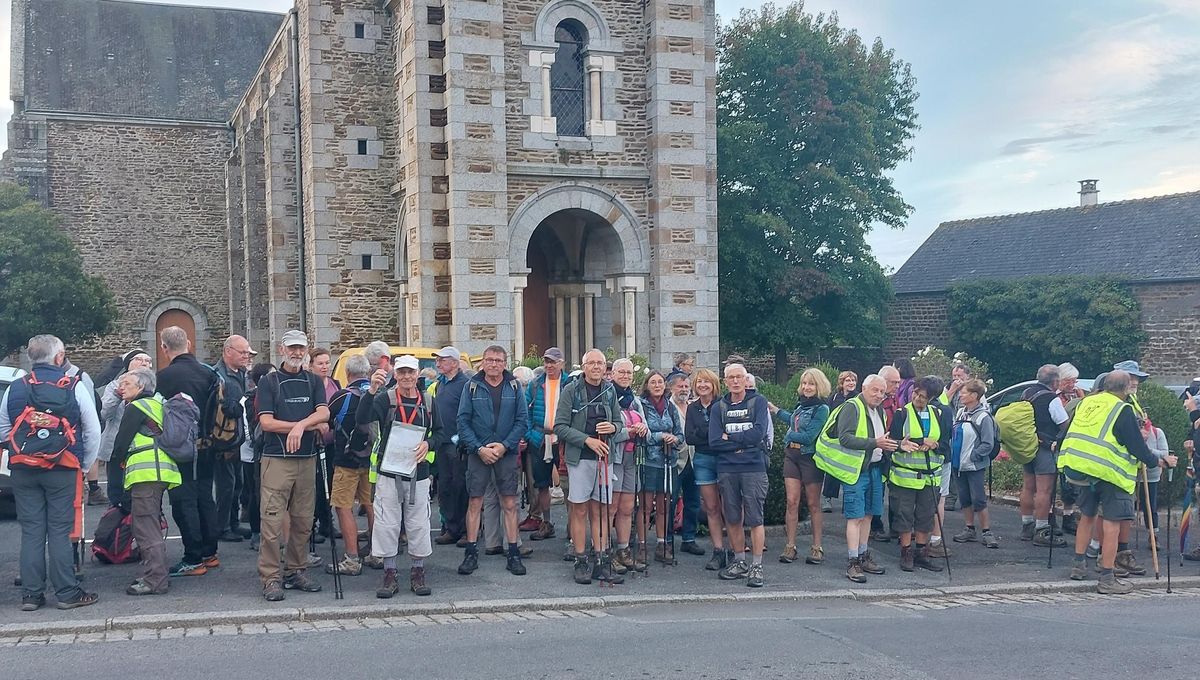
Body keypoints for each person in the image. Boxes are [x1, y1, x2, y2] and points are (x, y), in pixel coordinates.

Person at [0, 334, 102, 610]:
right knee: (59, 530)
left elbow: (3, 428)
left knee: (31, 530)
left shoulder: (15, 388)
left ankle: (31, 595)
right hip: (62, 466)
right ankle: (67, 592)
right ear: (60, 357)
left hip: (23, 467)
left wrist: (18, 453)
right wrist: (83, 464)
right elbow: (93, 430)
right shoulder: (74, 386)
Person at [1061, 370, 1176, 594]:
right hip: (1109, 472)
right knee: (1112, 523)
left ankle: (1078, 564)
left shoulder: (1087, 402)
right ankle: (1106, 577)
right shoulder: (1123, 409)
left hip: (1080, 467)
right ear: (1125, 388)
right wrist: (1159, 461)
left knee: (1087, 516)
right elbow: (1136, 446)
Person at [255, 330, 330, 601]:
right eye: (292, 348)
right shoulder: (269, 381)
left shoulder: (312, 381)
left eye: (301, 348)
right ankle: (270, 577)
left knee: (303, 520)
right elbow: (266, 422)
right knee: (272, 521)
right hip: (277, 459)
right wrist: (301, 428)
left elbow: (324, 412)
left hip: (307, 459)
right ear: (281, 349)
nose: (297, 353)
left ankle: (295, 570)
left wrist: (301, 425)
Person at [358, 355, 437, 597]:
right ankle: (389, 574)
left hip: (418, 473)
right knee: (387, 523)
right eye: (401, 372)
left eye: (410, 372)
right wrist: (371, 390)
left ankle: (418, 572)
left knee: (419, 523)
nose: (406, 377)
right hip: (389, 471)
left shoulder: (429, 401)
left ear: (417, 374)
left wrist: (429, 444)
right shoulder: (385, 399)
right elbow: (361, 420)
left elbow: (444, 434)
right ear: (395, 374)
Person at [456, 344, 530, 577]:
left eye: (499, 360)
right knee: (475, 503)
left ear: (505, 363)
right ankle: (470, 553)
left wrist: (504, 445)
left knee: (509, 503)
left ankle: (513, 553)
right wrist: (479, 448)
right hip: (478, 453)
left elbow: (522, 421)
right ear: (483, 363)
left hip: (505, 453)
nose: (494, 364)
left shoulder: (515, 387)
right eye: (490, 360)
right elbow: (462, 421)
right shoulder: (472, 387)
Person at [816, 374, 896, 583]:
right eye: (875, 390)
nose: (879, 395)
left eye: (882, 392)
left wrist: (896, 445)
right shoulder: (852, 407)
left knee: (869, 514)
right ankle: (853, 561)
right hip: (856, 471)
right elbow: (845, 438)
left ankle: (863, 554)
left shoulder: (878, 409)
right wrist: (875, 443)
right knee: (855, 516)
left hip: (875, 469)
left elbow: (880, 440)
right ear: (864, 388)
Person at [108, 368, 180, 595]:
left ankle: (155, 579)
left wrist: (115, 471)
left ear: (141, 387)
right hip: (161, 471)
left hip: (145, 473)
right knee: (151, 524)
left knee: (145, 527)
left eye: (127, 383)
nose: (122, 388)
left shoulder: (137, 407)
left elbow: (120, 444)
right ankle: (155, 573)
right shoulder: (156, 404)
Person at [554, 348, 623, 584]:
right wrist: (587, 440)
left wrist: (613, 428)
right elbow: (560, 426)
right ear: (583, 367)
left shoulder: (610, 390)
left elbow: (619, 422)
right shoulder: (571, 390)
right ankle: (580, 559)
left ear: (605, 368)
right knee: (580, 509)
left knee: (601, 510)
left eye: (600, 363)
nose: (596, 367)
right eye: (591, 363)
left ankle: (601, 559)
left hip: (605, 458)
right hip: (580, 457)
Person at [156, 325, 220, 577]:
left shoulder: (165, 377)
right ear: (189, 344)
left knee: (184, 502)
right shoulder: (208, 373)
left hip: (182, 449)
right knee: (205, 497)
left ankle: (193, 557)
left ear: (164, 348)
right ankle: (209, 552)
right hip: (210, 445)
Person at [707, 362, 771, 587]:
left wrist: (731, 439)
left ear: (746, 379)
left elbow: (758, 434)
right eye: (730, 377)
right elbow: (714, 441)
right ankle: (739, 561)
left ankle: (756, 565)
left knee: (755, 517)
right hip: (727, 469)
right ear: (725, 381)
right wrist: (742, 443)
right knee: (732, 517)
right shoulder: (718, 407)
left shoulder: (758, 402)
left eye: (739, 377)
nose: (735, 381)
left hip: (753, 467)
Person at [886, 375, 951, 572]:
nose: (917, 398)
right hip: (905, 475)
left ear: (931, 398)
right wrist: (920, 440)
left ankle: (922, 552)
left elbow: (946, 445)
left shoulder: (939, 414)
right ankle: (906, 552)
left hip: (930, 475)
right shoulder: (901, 414)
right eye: (916, 393)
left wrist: (936, 444)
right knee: (904, 515)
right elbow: (894, 443)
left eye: (923, 396)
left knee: (926, 516)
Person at [769, 367, 831, 565]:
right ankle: (790, 545)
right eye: (804, 383)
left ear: (819, 386)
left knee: (813, 504)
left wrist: (788, 436)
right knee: (792, 501)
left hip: (809, 458)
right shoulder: (801, 406)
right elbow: (794, 420)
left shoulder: (821, 409)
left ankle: (817, 546)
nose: (806, 387)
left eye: (811, 384)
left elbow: (808, 436)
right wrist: (777, 411)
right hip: (792, 456)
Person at [323, 354, 375, 576]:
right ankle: (377, 552)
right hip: (372, 459)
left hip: (346, 460)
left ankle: (352, 558)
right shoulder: (377, 395)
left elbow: (325, 421)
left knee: (343, 506)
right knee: (371, 504)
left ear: (348, 374)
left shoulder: (341, 396)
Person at [523, 347, 571, 542]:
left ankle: (571, 525)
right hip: (540, 438)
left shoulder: (570, 383)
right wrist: (530, 434)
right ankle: (547, 522)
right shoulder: (535, 385)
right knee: (542, 484)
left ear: (562, 363)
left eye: (553, 361)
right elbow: (524, 412)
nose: (549, 365)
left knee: (568, 485)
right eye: (547, 362)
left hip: (563, 439)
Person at [1019, 364, 1069, 547]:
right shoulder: (1051, 398)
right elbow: (1064, 424)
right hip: (1046, 448)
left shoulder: (1026, 393)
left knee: (1028, 487)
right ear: (1055, 381)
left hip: (1028, 446)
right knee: (1044, 490)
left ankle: (1027, 526)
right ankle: (1042, 530)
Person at [685, 367, 729, 571]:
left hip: (723, 459)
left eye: (706, 382)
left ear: (714, 385)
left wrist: (706, 433)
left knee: (729, 506)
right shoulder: (692, 408)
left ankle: (735, 549)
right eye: (699, 382)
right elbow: (690, 437)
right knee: (711, 507)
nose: (702, 385)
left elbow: (725, 433)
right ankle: (718, 550)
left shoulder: (722, 405)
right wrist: (712, 433)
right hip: (703, 459)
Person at [638, 371, 683, 564]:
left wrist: (675, 439)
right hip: (648, 461)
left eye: (660, 382)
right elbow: (642, 432)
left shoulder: (671, 407)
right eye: (653, 382)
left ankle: (662, 543)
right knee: (646, 506)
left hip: (668, 461)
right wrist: (660, 436)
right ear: (647, 385)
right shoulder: (640, 405)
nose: (657, 385)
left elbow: (681, 435)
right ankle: (641, 544)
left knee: (664, 505)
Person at [609, 358, 649, 573]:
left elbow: (648, 431)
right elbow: (608, 433)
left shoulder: (635, 401)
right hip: (614, 458)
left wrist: (642, 428)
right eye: (621, 372)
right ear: (613, 374)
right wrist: (628, 432)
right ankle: (605, 552)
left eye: (628, 373)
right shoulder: (607, 397)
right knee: (611, 507)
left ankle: (623, 550)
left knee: (626, 507)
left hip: (632, 459)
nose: (625, 376)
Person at [99, 350, 153, 510]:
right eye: (139, 359)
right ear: (128, 364)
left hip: (143, 450)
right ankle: (117, 529)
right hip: (117, 448)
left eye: (148, 360)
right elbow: (104, 413)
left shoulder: (154, 387)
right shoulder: (115, 386)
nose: (144, 363)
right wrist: (117, 396)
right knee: (116, 493)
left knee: (142, 496)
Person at [429, 346, 470, 546]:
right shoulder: (440, 384)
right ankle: (450, 527)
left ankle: (465, 529)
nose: (438, 363)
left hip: (458, 444)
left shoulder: (465, 384)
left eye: (442, 360)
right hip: (442, 443)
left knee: (460, 487)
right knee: (444, 486)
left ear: (454, 362)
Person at [214, 335, 254, 544]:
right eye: (243, 352)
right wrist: (239, 405)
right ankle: (223, 526)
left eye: (248, 352)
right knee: (226, 485)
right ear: (228, 351)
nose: (247, 356)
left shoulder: (240, 374)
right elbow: (221, 406)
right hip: (225, 439)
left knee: (236, 483)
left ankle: (233, 523)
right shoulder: (219, 376)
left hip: (237, 437)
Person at [951, 379, 1000, 548]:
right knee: (965, 498)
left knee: (979, 499)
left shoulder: (983, 417)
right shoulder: (961, 413)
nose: (960, 395)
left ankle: (986, 531)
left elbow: (988, 443)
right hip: (959, 464)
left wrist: (973, 456)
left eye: (963, 392)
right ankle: (969, 528)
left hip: (974, 465)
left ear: (974, 395)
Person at [242, 362, 275, 551]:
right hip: (253, 454)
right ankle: (256, 532)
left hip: (267, 450)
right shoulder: (249, 399)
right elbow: (248, 428)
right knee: (256, 493)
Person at [670, 372, 704, 556]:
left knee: (693, 502)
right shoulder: (667, 407)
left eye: (686, 386)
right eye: (680, 386)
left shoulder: (693, 407)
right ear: (671, 388)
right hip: (675, 461)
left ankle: (688, 539)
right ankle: (666, 540)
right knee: (671, 501)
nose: (684, 390)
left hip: (694, 460)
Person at [309, 348, 341, 544]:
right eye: (320, 363)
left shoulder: (334, 384)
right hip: (312, 442)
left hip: (331, 443)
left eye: (327, 363)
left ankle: (326, 523)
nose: (325, 367)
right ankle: (310, 525)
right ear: (311, 365)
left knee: (328, 483)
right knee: (312, 485)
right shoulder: (308, 384)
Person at [1056, 362, 1086, 535]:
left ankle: (1068, 517)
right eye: (1069, 381)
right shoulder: (1055, 397)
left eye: (1074, 381)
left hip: (1073, 444)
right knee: (1057, 483)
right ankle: (1051, 518)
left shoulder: (1076, 395)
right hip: (1058, 443)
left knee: (1070, 485)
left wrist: (1082, 400)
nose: (1072, 385)